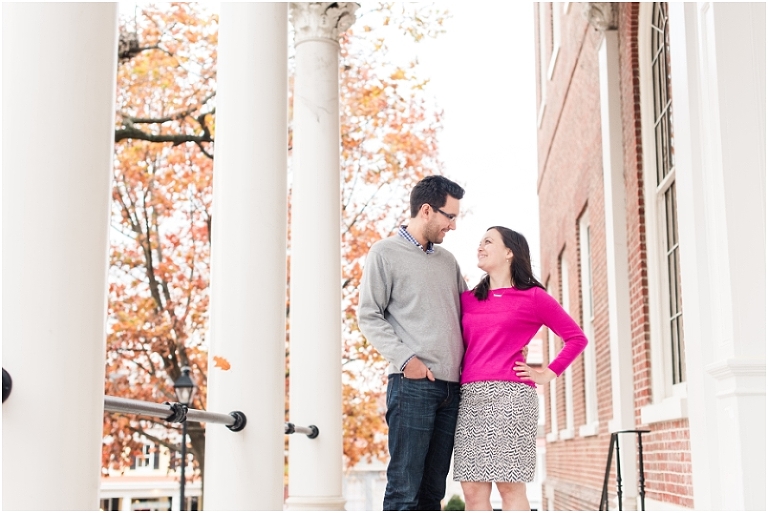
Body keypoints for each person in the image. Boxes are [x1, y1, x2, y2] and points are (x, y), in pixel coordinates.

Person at [453, 226, 588, 511]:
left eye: (488, 241)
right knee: (472, 490)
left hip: (512, 398)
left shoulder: (534, 297)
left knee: (509, 486)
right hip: (470, 399)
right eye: (480, 242)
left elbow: (576, 338)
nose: (480, 246)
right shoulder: (467, 300)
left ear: (509, 252)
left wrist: (546, 374)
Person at [357, 175, 467, 511]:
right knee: (404, 492)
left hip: (452, 389)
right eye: (450, 217)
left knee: (433, 494)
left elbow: (470, 314)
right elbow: (368, 316)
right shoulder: (384, 253)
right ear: (427, 210)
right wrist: (408, 361)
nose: (453, 226)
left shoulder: (448, 261)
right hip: (412, 386)